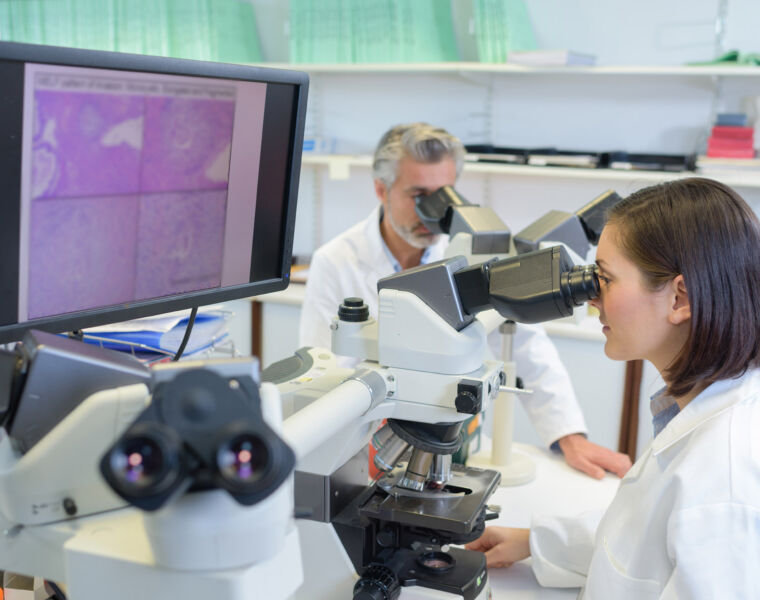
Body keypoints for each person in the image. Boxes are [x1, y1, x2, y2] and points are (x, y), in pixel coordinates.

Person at [465, 177, 760, 598]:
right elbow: (642, 538)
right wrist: (535, 542)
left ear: (680, 299)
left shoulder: (725, 482)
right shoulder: (699, 405)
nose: (591, 298)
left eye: (603, 279)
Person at [299, 122, 631, 479]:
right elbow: (325, 372)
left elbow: (528, 348)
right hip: (366, 441)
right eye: (419, 196)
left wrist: (569, 436)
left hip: (454, 440)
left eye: (443, 195)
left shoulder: (468, 253)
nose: (432, 213)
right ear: (381, 189)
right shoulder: (335, 260)